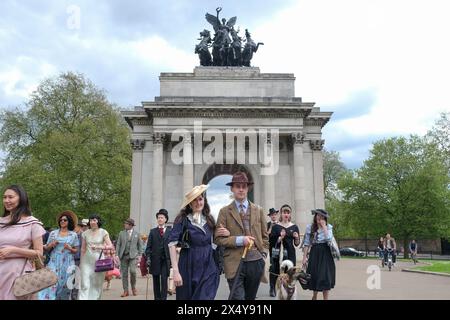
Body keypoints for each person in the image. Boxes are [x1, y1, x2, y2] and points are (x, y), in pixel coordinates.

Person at [215, 172, 269, 300]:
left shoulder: (258, 210)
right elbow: (217, 239)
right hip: (234, 263)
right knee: (238, 298)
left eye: (244, 186)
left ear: (247, 188)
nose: (241, 189)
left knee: (250, 299)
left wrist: (264, 254)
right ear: (232, 188)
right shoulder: (224, 212)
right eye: (237, 186)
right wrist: (239, 240)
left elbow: (265, 236)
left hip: (256, 262)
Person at [168, 184, 223, 300]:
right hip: (188, 264)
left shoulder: (210, 219)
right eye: (194, 200)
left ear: (204, 200)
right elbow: (172, 245)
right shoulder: (182, 220)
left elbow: (215, 242)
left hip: (208, 265)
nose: (198, 203)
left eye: (200, 199)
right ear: (190, 203)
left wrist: (225, 234)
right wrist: (176, 272)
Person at [0, 185, 46, 300]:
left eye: (11, 197)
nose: (7, 200)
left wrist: (13, 250)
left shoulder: (32, 223)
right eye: (4, 197)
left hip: (18, 273)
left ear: (21, 199)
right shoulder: (1, 222)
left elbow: (39, 253)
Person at [38, 210, 80, 300]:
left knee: (64, 285)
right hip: (54, 260)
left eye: (65, 220)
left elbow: (76, 250)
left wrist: (70, 248)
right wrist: (52, 244)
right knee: (51, 283)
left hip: (68, 262)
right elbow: (46, 248)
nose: (62, 221)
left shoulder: (73, 235)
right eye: (61, 220)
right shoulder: (53, 233)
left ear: (69, 222)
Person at [78, 214, 114, 300]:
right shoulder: (85, 233)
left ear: (98, 221)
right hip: (86, 261)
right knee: (85, 284)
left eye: (94, 220)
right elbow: (83, 249)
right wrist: (81, 263)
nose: (92, 222)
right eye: (90, 220)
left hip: (98, 261)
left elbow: (110, 246)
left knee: (96, 285)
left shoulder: (103, 232)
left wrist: (99, 247)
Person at [302, 209, 335, 300]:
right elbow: (306, 243)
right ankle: (315, 295)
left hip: (326, 253)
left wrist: (324, 227)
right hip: (314, 252)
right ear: (315, 216)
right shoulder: (310, 227)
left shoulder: (328, 227)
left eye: (321, 216)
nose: (319, 218)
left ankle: (326, 299)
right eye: (317, 215)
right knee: (314, 275)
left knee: (325, 276)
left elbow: (329, 240)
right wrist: (304, 258)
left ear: (324, 218)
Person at [270, 204, 300, 295]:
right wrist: (280, 238)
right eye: (284, 212)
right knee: (275, 269)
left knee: (290, 271)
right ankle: (273, 288)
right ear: (281, 214)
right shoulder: (276, 227)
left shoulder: (294, 227)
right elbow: (272, 242)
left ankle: (287, 288)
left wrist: (297, 237)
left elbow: (296, 244)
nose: (286, 214)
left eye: (288, 213)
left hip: (290, 253)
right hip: (277, 253)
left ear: (290, 214)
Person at [145, 209, 172, 300]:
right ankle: (157, 298)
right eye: (158, 217)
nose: (160, 219)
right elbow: (148, 247)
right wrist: (148, 258)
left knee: (164, 279)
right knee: (156, 280)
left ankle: (163, 298)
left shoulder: (170, 231)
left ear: (165, 219)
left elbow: (173, 246)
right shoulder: (152, 231)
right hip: (155, 260)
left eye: (162, 217)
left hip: (165, 260)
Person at [115, 218, 143, 297]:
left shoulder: (137, 233)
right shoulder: (121, 233)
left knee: (133, 271)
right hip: (123, 256)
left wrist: (140, 255)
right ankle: (125, 291)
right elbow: (118, 244)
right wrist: (116, 254)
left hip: (133, 256)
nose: (125, 225)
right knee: (124, 274)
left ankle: (133, 288)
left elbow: (140, 245)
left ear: (130, 225)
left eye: (126, 224)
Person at [267, 207, 279, 297]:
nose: (273, 216)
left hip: (281, 249)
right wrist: (270, 227)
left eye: (275, 214)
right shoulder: (267, 225)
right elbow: (266, 236)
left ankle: (277, 286)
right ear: (270, 216)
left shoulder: (280, 224)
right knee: (273, 268)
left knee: (279, 269)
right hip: (271, 249)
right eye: (272, 215)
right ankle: (272, 288)